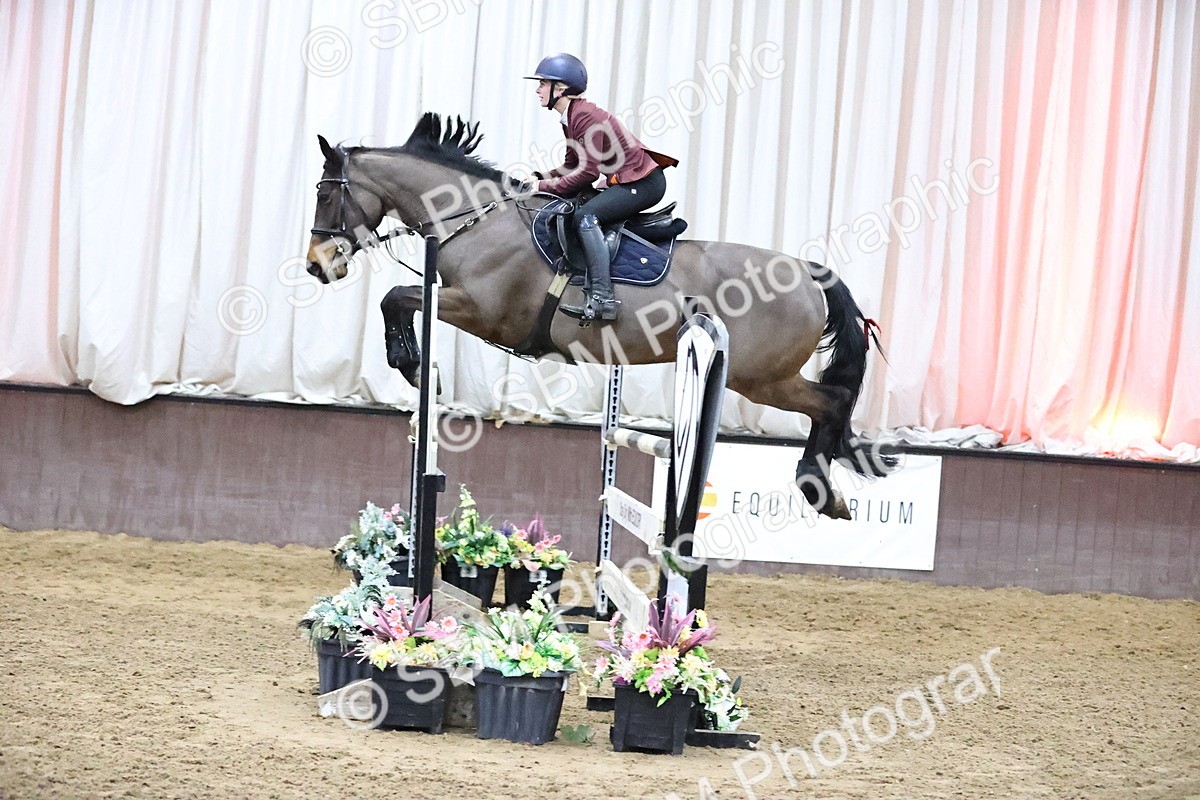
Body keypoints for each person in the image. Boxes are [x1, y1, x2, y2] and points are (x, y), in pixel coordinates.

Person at [524, 53, 678, 322]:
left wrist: (543, 185)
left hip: (643, 184)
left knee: (586, 216)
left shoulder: (584, 116)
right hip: (631, 181)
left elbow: (587, 173)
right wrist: (538, 178)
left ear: (560, 88)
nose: (538, 89)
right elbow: (572, 164)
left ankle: (603, 297)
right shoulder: (572, 116)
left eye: (543, 83)